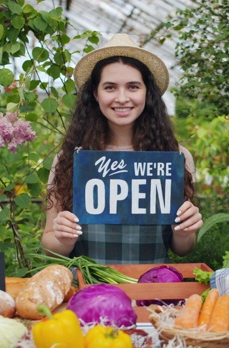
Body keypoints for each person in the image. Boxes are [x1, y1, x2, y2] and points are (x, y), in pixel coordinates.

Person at [41, 33, 202, 264]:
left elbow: (183, 249)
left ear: (147, 93)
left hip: (153, 292)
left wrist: (183, 232)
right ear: (95, 94)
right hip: (89, 291)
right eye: (110, 87)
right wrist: (62, 239)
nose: (122, 98)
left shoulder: (176, 158)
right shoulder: (69, 159)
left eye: (133, 86)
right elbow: (50, 246)